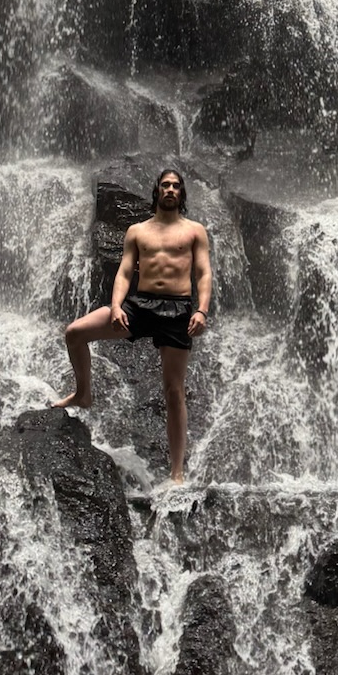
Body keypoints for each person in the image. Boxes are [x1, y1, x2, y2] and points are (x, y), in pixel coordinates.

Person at [51, 167, 211, 481]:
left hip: (177, 309)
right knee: (75, 333)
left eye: (175, 186)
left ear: (181, 193)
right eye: (165, 185)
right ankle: (83, 393)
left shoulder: (195, 231)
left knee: (174, 391)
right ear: (157, 191)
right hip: (139, 306)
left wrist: (201, 311)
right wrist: (115, 307)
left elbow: (203, 273)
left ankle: (177, 473)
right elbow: (124, 272)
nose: (170, 189)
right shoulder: (137, 231)